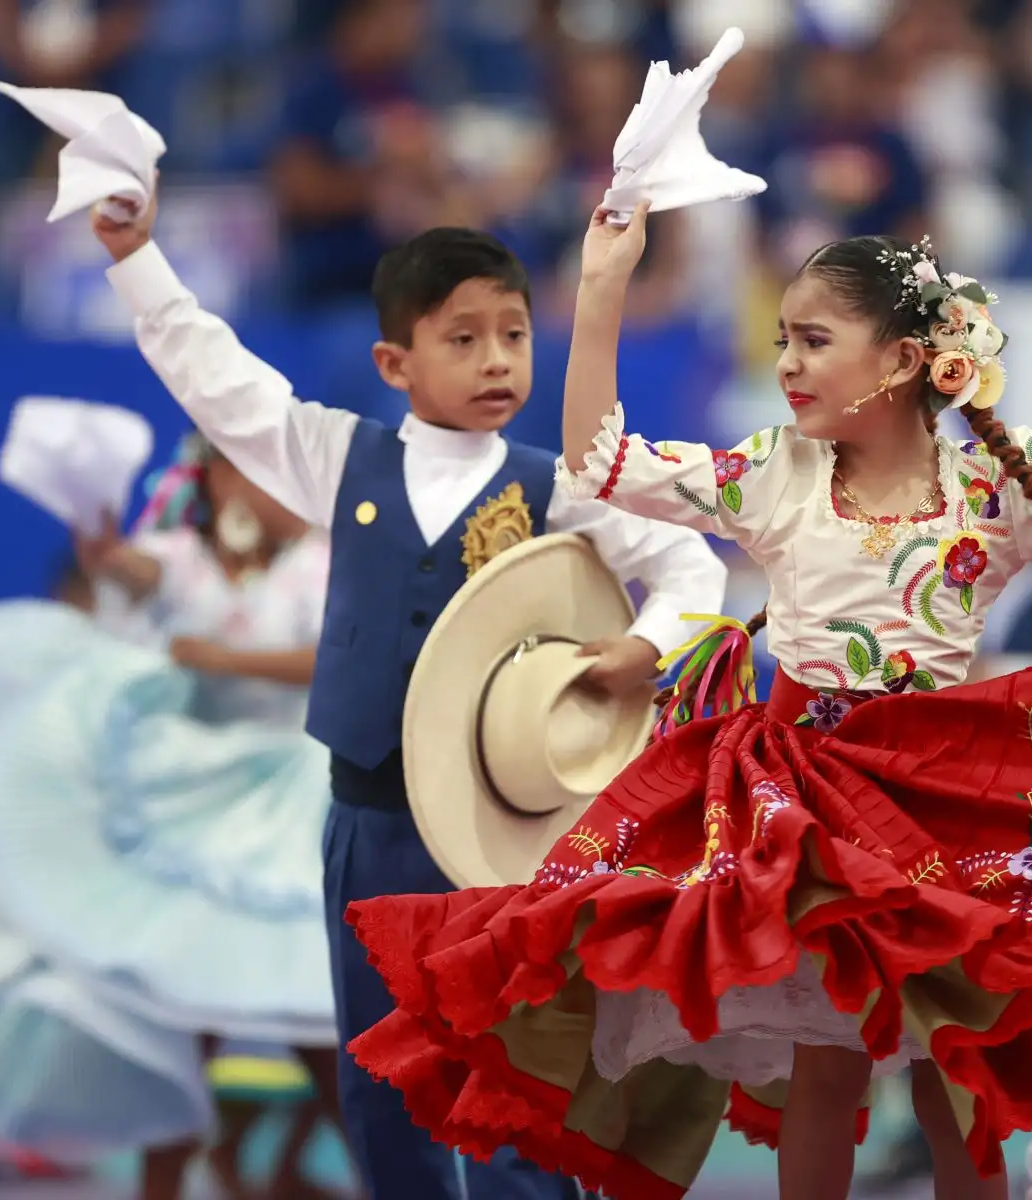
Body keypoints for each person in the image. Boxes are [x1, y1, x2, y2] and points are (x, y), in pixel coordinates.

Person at [339, 206, 1032, 1200]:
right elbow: (597, 463)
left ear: (905, 359)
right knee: (828, 1067)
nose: (786, 362)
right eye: (782, 339)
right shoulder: (772, 474)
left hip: (946, 798)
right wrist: (603, 283)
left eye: (813, 341)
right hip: (805, 803)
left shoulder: (991, 489)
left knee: (953, 1071)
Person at [91, 193, 729, 1200]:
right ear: (396, 364)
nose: (496, 362)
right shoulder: (336, 457)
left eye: (514, 336)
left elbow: (695, 571)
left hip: (504, 839)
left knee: (512, 1076)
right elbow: (213, 378)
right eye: (463, 338)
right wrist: (135, 255)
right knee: (381, 1082)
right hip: (367, 822)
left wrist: (644, 648)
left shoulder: (552, 484)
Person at [74, 430, 346, 1199]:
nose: (265, 488)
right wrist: (105, 558)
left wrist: (223, 661)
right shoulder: (178, 560)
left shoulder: (321, 563)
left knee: (320, 1032)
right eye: (246, 470)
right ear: (216, 479)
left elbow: (336, 659)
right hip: (194, 815)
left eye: (279, 473)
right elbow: (134, 571)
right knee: (182, 1032)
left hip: (296, 816)